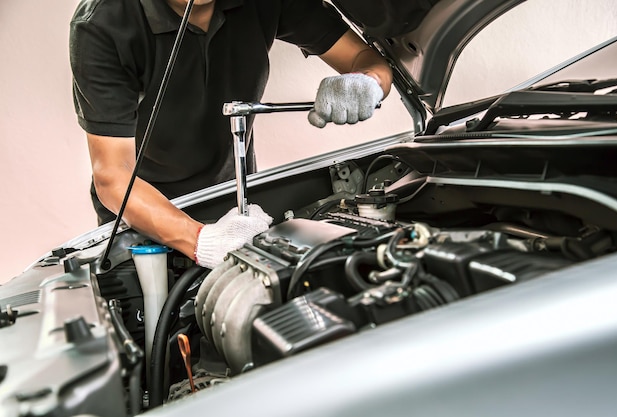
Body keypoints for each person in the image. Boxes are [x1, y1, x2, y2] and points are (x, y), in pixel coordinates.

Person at [70, 0, 392, 269]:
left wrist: (369, 84)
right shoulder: (102, 24)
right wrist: (202, 240)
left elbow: (366, 60)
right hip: (145, 220)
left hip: (234, 203)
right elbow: (113, 176)